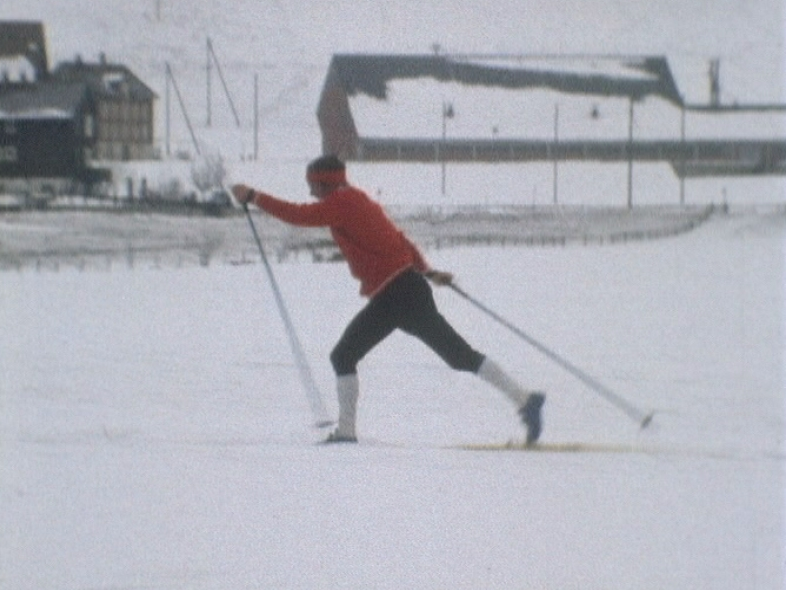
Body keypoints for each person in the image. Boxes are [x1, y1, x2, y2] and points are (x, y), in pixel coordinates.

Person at [231, 155, 545, 444]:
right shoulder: (358, 200)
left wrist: (255, 197)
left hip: (395, 295)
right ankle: (524, 400)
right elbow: (399, 240)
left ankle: (346, 433)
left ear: (324, 181)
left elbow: (300, 215)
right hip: (406, 289)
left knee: (344, 355)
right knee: (458, 355)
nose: (311, 192)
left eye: (312, 185)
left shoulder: (342, 201)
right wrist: (427, 271)